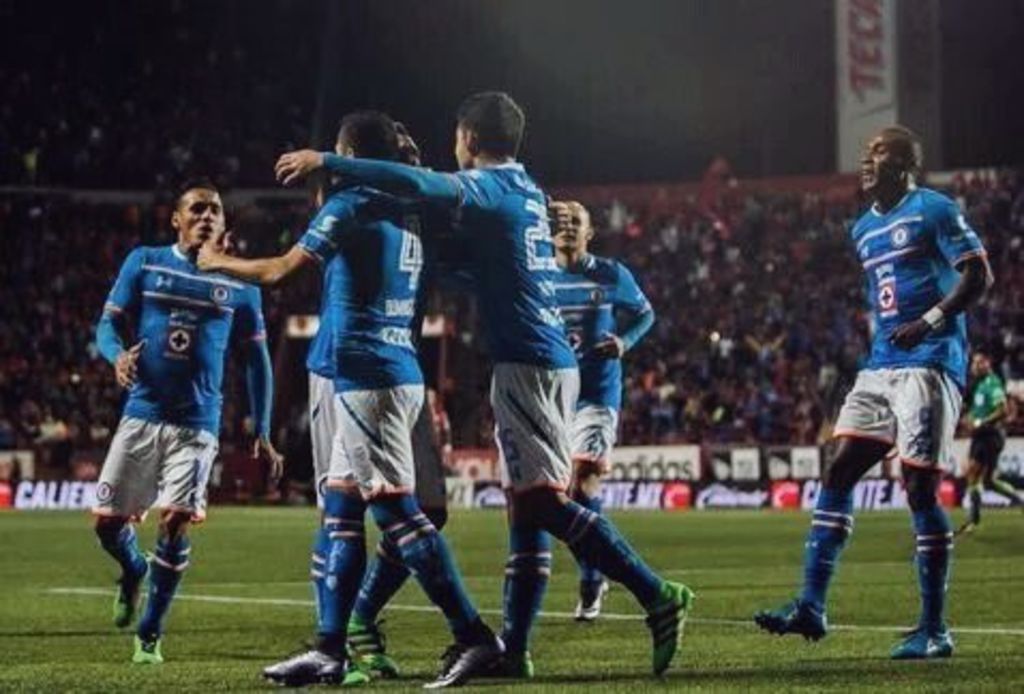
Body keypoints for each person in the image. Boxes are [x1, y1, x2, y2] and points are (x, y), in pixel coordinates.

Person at [275, 91, 694, 685]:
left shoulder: (491, 186)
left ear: (468, 139)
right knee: (525, 511)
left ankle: (655, 594)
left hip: (527, 361)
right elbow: (471, 261)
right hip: (534, 359)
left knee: (540, 503)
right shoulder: (526, 190)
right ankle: (512, 650)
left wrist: (327, 160)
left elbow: (421, 186)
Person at [199, 111, 500, 689]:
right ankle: (329, 649)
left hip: (368, 375)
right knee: (341, 508)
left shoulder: (352, 204)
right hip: (389, 370)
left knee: (395, 512)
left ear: (350, 155)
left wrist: (217, 263)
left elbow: (280, 271)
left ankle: (473, 634)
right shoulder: (412, 207)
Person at [753, 126, 993, 659]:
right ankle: (811, 606)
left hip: (930, 362)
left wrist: (929, 322)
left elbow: (979, 276)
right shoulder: (862, 228)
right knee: (839, 470)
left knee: (919, 488)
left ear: (905, 163)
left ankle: (935, 629)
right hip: (880, 365)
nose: (867, 160)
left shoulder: (934, 209)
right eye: (866, 153)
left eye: (879, 152)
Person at [92, 178, 281, 665]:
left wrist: (262, 428)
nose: (206, 216)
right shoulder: (145, 261)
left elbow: (256, 361)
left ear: (224, 223)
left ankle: (149, 633)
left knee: (175, 520)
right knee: (107, 526)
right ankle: (134, 570)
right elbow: (107, 323)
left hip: (198, 422)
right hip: (141, 413)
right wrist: (116, 356)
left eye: (214, 210)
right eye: (196, 209)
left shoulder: (242, 284)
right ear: (176, 219)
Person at [549, 200, 655, 620]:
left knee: (582, 484)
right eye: (562, 221)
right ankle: (595, 571)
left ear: (589, 233)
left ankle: (592, 580)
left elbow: (645, 314)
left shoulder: (611, 274)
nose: (569, 227)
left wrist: (625, 342)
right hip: (554, 397)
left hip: (597, 395)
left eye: (577, 222)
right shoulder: (539, 275)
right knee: (555, 500)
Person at [957, 350, 1021, 534]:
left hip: (989, 436)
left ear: (988, 363)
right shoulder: (979, 384)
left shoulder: (992, 383)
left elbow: (1003, 410)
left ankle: (973, 521)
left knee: (972, 473)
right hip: (981, 436)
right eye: (974, 363)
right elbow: (977, 409)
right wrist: (969, 418)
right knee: (987, 481)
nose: (975, 366)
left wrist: (981, 422)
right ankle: (1019, 500)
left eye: (979, 362)